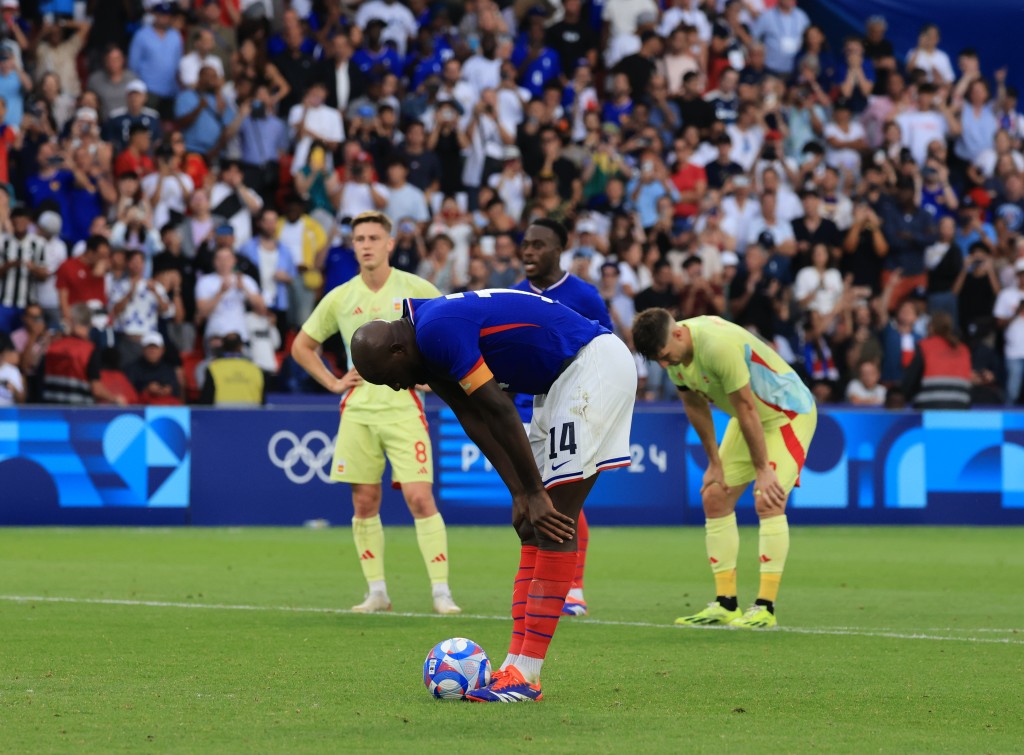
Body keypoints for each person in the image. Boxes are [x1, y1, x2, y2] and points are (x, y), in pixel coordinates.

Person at [350, 290, 637, 704]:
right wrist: (521, 493)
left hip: (591, 366)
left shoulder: (435, 332)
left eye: (389, 376)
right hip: (560, 382)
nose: (397, 387)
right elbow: (472, 417)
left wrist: (535, 492)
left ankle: (527, 676)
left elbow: (499, 408)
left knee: (555, 518)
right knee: (530, 525)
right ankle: (514, 667)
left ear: (397, 348)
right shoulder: (425, 345)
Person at [290, 210, 459, 616]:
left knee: (420, 498)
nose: (365, 244)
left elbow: (453, 329)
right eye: (359, 238)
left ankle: (441, 592)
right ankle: (377, 592)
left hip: (404, 409)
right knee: (365, 501)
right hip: (359, 412)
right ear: (353, 246)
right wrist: (333, 382)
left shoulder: (415, 288)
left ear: (389, 244)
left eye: (372, 237)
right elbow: (301, 346)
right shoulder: (341, 296)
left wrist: (430, 376)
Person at [632, 309, 817, 629]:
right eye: (657, 361)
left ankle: (765, 607)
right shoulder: (675, 355)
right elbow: (695, 406)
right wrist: (714, 463)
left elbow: (745, 407)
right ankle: (725, 603)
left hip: (786, 415)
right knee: (715, 496)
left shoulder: (716, 346)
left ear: (677, 334)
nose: (664, 365)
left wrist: (763, 469)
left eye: (664, 356)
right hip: (750, 420)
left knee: (768, 497)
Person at [510, 219, 614, 617]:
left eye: (538, 245)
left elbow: (605, 349)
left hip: (570, 408)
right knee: (532, 500)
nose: (529, 252)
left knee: (562, 494)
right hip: (522, 411)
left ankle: (573, 588)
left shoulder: (584, 296)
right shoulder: (514, 294)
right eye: (525, 245)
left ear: (558, 250)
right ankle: (546, 580)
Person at [902, 311, 972, 410]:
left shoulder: (924, 346)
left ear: (931, 327)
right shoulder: (963, 349)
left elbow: (910, 382)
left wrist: (904, 396)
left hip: (930, 408)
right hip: (960, 407)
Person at [198, 332, 265, 405]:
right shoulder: (256, 369)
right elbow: (263, 401)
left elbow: (206, 402)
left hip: (221, 415)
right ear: (240, 347)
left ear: (223, 346)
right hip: (253, 415)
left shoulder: (213, 368)